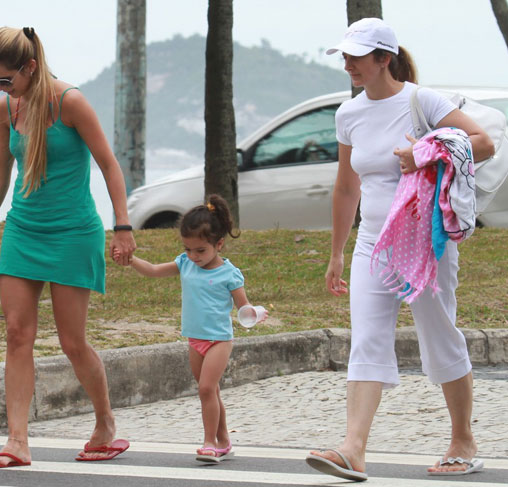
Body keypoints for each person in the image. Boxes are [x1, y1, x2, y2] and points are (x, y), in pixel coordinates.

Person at [305, 18, 495, 481]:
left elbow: (484, 143)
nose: (348, 63)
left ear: (383, 59)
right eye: (345, 55)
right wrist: (337, 252)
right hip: (373, 240)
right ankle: (353, 449)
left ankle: (462, 440)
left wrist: (427, 152)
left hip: (424, 240)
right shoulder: (348, 114)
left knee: (438, 334)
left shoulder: (420, 100)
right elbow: (347, 187)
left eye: (356, 56)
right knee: (366, 338)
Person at [0, 26, 136, 468]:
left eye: (6, 80)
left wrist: (122, 226)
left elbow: (109, 165)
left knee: (72, 342)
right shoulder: (7, 108)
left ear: (29, 67)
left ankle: (105, 422)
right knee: (16, 334)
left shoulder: (70, 102)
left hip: (72, 232)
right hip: (24, 230)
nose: (2, 89)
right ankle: (17, 441)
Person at [117, 194, 266, 463]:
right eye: (188, 249)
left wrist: (255, 314)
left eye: (200, 250)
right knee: (211, 390)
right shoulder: (185, 264)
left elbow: (244, 308)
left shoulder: (229, 274)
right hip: (195, 339)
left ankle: (209, 442)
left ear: (218, 244)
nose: (193, 256)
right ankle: (223, 441)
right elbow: (152, 270)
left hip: (219, 340)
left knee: (206, 389)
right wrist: (131, 261)